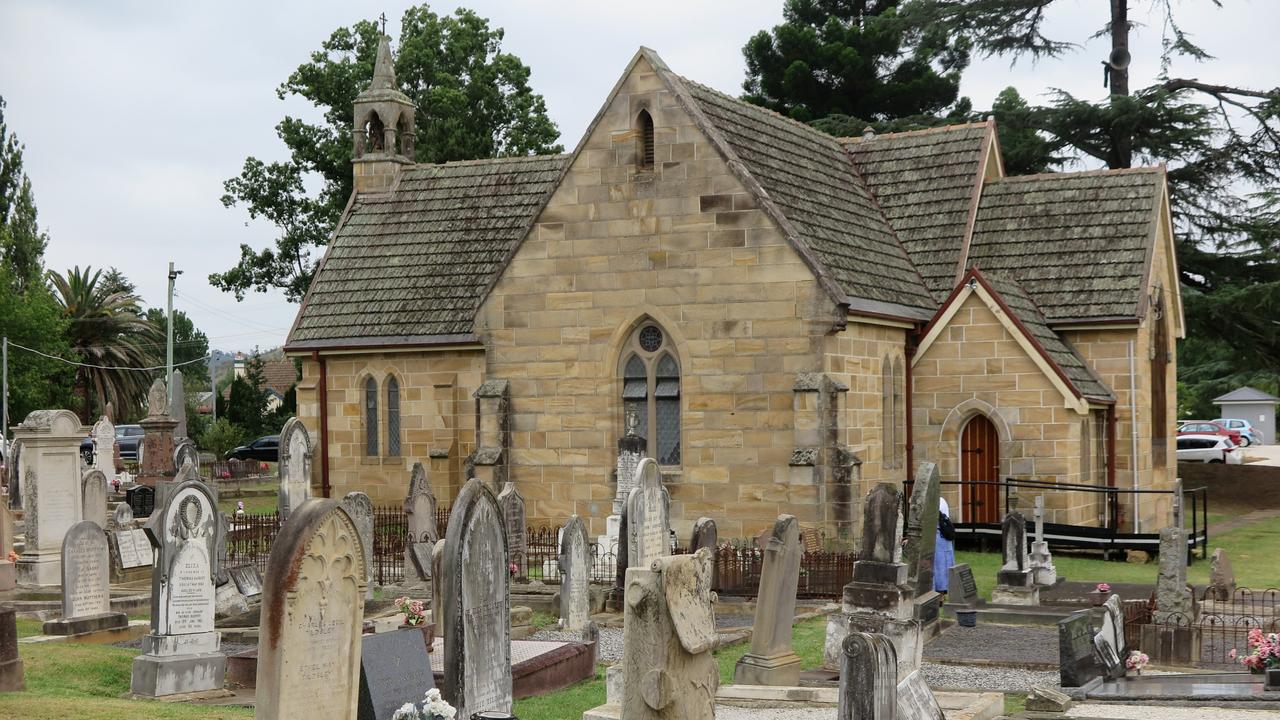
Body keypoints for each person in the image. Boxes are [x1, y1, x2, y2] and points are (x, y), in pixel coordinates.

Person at [934, 496, 956, 595]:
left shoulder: (938, 500)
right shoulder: (940, 499)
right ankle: (939, 594)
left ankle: (940, 595)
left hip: (940, 537)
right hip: (940, 537)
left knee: (940, 566)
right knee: (941, 565)